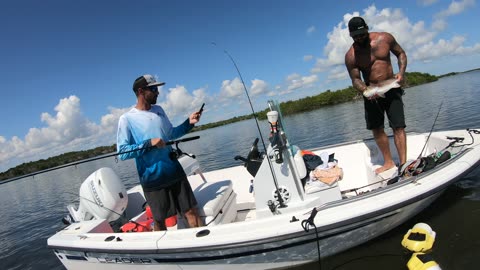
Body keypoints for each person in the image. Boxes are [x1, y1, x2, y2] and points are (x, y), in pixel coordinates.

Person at [117, 74, 204, 231]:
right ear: (141, 91)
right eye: (154, 89)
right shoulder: (127, 119)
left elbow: (170, 134)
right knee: (159, 221)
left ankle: (203, 247)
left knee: (191, 211)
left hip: (174, 171)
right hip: (153, 179)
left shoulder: (159, 110)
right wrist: (149, 143)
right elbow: (122, 152)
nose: (158, 92)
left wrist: (188, 124)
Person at [344, 17, 408, 174]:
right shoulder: (351, 55)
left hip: (391, 87)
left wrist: (401, 72)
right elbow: (356, 79)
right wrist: (364, 90)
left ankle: (404, 163)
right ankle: (388, 162)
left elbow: (400, 53)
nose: (359, 38)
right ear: (351, 35)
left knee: (398, 126)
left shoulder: (385, 38)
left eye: (362, 34)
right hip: (372, 92)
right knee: (377, 129)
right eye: (355, 36)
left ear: (367, 28)